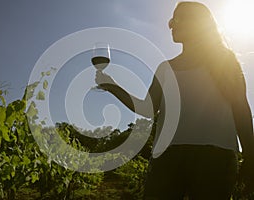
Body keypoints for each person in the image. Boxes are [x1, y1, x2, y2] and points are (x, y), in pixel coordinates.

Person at [95, 1, 254, 199]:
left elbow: (241, 108)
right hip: (167, 158)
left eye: (176, 19)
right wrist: (112, 86)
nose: (171, 25)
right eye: (171, 20)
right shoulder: (165, 68)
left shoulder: (225, 61)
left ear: (197, 23)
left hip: (215, 159)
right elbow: (147, 108)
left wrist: (250, 155)